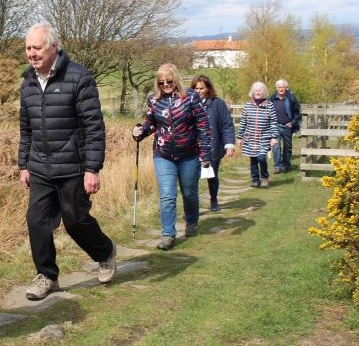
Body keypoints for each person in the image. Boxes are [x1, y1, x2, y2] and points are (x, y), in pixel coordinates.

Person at [19, 23, 117, 300]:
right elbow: (26, 129)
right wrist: (23, 164)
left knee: (75, 221)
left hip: (73, 166)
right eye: (27, 48)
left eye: (36, 48)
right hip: (39, 166)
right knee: (36, 220)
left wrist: (92, 168)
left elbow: (93, 127)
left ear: (53, 47)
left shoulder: (79, 77)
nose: (31, 53)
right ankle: (47, 276)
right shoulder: (27, 82)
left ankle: (105, 251)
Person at [132, 64, 211, 251]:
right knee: (167, 195)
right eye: (161, 81)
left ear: (176, 79)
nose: (166, 84)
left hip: (189, 154)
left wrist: (205, 152)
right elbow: (150, 123)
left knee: (189, 192)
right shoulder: (154, 100)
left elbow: (203, 125)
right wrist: (140, 131)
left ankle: (191, 221)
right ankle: (168, 234)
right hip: (163, 155)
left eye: (169, 81)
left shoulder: (191, 97)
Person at [192, 74, 235, 211]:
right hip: (193, 147)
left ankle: (214, 200)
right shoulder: (188, 103)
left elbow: (227, 125)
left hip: (212, 146)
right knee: (191, 178)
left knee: (212, 174)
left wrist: (229, 144)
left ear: (208, 88)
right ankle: (192, 207)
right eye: (196, 88)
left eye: (201, 88)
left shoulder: (218, 104)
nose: (198, 91)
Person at [236, 82, 278, 188]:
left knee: (261, 158)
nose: (257, 92)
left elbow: (273, 122)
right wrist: (239, 137)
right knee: (253, 159)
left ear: (263, 92)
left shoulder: (269, 105)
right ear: (253, 92)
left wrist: (274, 137)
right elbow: (243, 122)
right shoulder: (248, 106)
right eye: (256, 90)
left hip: (264, 137)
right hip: (251, 137)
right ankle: (255, 179)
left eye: (259, 90)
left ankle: (264, 178)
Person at [269, 79, 301, 173]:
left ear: (286, 88)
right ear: (276, 88)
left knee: (287, 147)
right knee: (276, 146)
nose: (281, 89)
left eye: (283, 87)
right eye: (279, 87)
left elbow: (297, 112)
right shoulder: (273, 97)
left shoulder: (291, 98)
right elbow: (268, 109)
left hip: (287, 126)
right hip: (276, 125)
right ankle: (277, 166)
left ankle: (286, 164)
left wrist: (292, 123)